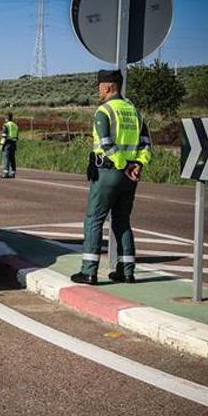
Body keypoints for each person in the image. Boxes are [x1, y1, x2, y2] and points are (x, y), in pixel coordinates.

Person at [71, 69, 152, 285]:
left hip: (109, 173)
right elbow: (146, 144)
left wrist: (123, 164)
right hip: (130, 177)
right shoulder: (135, 112)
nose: (98, 90)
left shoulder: (104, 111)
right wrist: (138, 164)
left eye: (100, 86)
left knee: (94, 220)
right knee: (122, 221)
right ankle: (126, 271)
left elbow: (106, 144)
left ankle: (89, 271)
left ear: (107, 87)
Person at [0, 113, 19, 178]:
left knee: (6, 158)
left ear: (6, 118)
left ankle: (5, 173)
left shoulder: (6, 125)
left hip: (7, 144)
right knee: (12, 158)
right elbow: (17, 136)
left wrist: (1, 145)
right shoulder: (15, 125)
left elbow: (4, 136)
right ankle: (12, 173)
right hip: (14, 144)